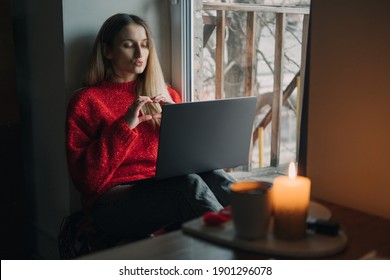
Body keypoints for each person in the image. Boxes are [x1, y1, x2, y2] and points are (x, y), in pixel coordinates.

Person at [65, 13, 235, 239]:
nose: (139, 53)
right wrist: (125, 126)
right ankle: (234, 248)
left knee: (217, 177)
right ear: (107, 51)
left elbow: (188, 158)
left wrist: (180, 125)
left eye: (144, 45)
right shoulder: (86, 101)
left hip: (163, 186)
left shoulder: (164, 94)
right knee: (186, 185)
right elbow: (86, 181)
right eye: (128, 45)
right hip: (112, 202)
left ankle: (267, 233)